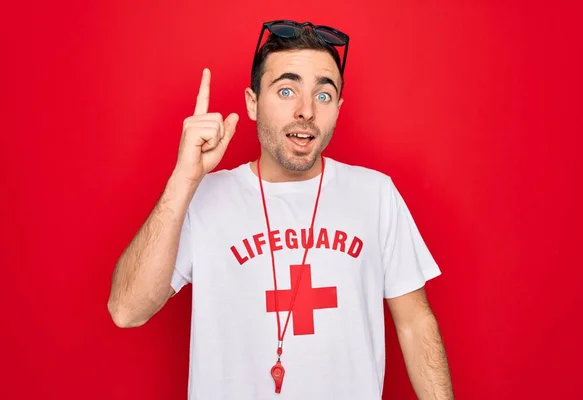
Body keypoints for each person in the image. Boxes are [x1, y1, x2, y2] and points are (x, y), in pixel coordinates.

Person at [108, 19, 454, 400]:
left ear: (338, 109)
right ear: (252, 103)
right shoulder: (203, 197)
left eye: (323, 96)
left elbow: (415, 324)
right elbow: (127, 310)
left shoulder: (375, 194)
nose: (306, 110)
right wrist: (183, 181)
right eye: (286, 90)